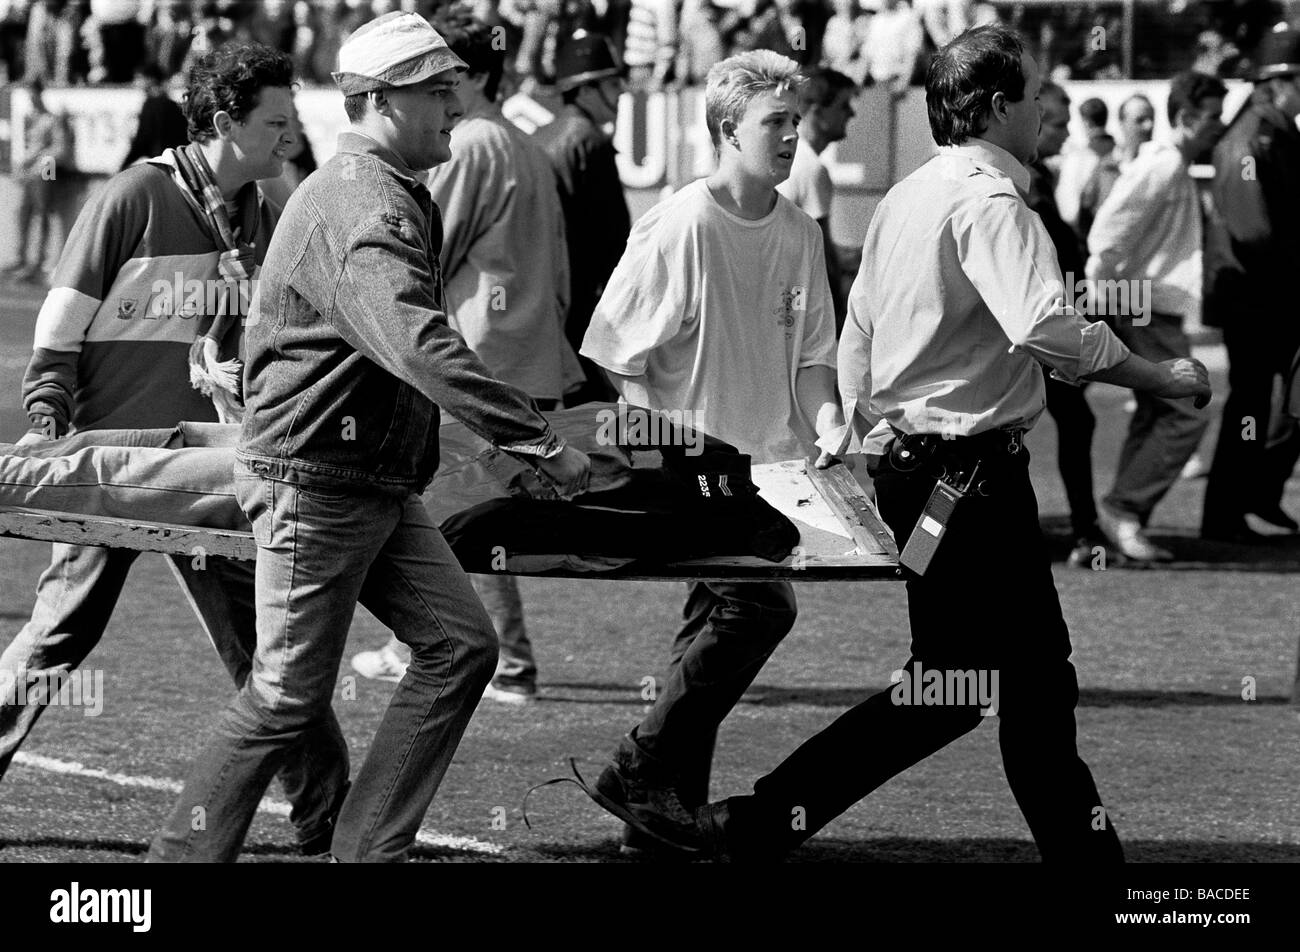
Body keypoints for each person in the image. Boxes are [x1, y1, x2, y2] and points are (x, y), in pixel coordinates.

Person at [642, 23, 1210, 861]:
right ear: (995, 106)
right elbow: (1047, 329)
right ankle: (758, 823)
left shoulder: (909, 196)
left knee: (971, 685)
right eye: (1034, 94)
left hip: (925, 473)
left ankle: (759, 823)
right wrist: (1158, 377)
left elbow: (859, 330)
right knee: (1007, 681)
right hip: (971, 478)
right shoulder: (990, 203)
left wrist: (866, 430)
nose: (1046, 109)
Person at [146, 11, 590, 863]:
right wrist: (534, 441)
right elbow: (417, 341)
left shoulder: (381, 191)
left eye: (455, 86)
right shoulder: (361, 199)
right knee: (283, 697)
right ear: (381, 100)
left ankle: (365, 850)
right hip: (317, 478)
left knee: (461, 647)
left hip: (364, 478)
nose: (459, 105)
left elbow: (400, 353)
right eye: (438, 91)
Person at [0, 42, 352, 857]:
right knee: (60, 636)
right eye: (275, 121)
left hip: (208, 463)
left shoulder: (259, 211)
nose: (289, 135)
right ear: (226, 122)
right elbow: (56, 340)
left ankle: (328, 813)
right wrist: (55, 432)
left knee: (267, 644)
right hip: (113, 464)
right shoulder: (136, 193)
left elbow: (241, 335)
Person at [576, 49, 844, 853]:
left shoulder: (799, 232)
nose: (793, 136)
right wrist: (665, 456)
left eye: (796, 121)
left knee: (709, 632)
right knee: (758, 607)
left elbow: (813, 359)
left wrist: (830, 423)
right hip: (696, 476)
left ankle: (654, 822)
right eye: (776, 123)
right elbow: (613, 352)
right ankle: (639, 763)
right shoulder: (681, 224)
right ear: (729, 129)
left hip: (773, 474)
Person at [349, 13, 577, 704]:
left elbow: (419, 258)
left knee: (464, 511)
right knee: (448, 504)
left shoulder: (474, 145)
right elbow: (558, 270)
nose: (442, 94)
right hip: (525, 350)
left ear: (474, 77)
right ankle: (412, 642)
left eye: (448, 77)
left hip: (480, 354)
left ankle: (507, 663)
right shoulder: (522, 143)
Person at [1088, 71, 1226, 562]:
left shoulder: (1171, 165)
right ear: (1186, 118)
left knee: (1159, 411)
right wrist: (1111, 301)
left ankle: (1122, 514)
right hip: (1142, 306)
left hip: (1147, 306)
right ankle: (1123, 510)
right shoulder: (1164, 167)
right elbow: (1106, 236)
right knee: (1188, 408)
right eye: (1212, 117)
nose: (1219, 126)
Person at [1201, 26, 1300, 542]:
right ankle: (1227, 512)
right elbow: (1254, 230)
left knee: (1264, 404)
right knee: (1250, 405)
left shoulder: (1274, 133)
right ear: (1275, 84)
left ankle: (1253, 498)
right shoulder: (1251, 139)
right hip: (1257, 297)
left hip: (1271, 294)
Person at [1027, 82, 1109, 566]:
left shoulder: (1042, 177)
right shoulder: (1025, 186)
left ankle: (1083, 528)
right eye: (1056, 123)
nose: (1065, 132)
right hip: (1037, 330)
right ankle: (1084, 530)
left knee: (1076, 421)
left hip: (1049, 324)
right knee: (1075, 421)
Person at [533, 30, 632, 407]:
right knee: (593, 419)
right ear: (587, 90)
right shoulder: (590, 141)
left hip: (543, 302)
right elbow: (614, 245)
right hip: (583, 306)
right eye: (612, 82)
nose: (621, 91)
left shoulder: (540, 137)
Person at [776, 65, 858, 332]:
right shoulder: (811, 167)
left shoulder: (788, 158)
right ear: (818, 111)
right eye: (844, 106)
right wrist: (837, 316)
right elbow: (820, 254)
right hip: (792, 302)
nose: (851, 113)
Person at [4, 78, 69, 284]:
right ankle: (21, 257)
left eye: (33, 94)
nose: (31, 98)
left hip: (46, 169)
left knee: (42, 212)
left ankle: (38, 261)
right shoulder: (30, 118)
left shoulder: (52, 119)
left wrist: (42, 163)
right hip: (30, 171)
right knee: (23, 211)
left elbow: (60, 148)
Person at [1053, 95, 1114, 232]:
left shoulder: (1079, 158)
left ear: (1085, 122)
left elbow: (1069, 207)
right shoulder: (1120, 153)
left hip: (1087, 231)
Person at [120, 64, 189, 170]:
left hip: (162, 164)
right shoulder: (174, 105)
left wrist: (123, 166)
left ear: (150, 79)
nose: (136, 82)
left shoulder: (151, 104)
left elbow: (142, 140)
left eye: (139, 78)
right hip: (178, 163)